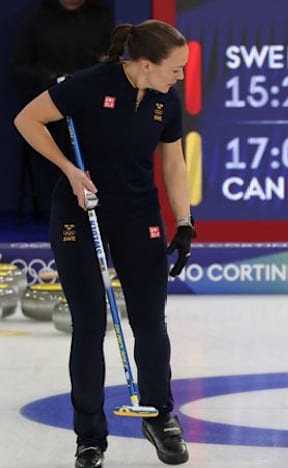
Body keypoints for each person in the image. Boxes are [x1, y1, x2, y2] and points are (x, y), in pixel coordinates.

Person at [13, 19, 195, 467]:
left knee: (151, 322)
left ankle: (158, 416)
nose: (181, 77)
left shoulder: (164, 101)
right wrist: (69, 171)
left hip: (138, 215)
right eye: (175, 68)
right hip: (81, 211)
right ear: (146, 64)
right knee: (91, 325)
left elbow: (173, 163)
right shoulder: (88, 86)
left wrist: (185, 221)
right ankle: (90, 436)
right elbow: (27, 119)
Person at [10, 0, 113, 221]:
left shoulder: (101, 17)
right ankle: (59, 215)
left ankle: (95, 211)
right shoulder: (37, 19)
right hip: (50, 106)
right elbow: (19, 68)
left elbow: (112, 64)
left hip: (92, 108)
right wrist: (51, 80)